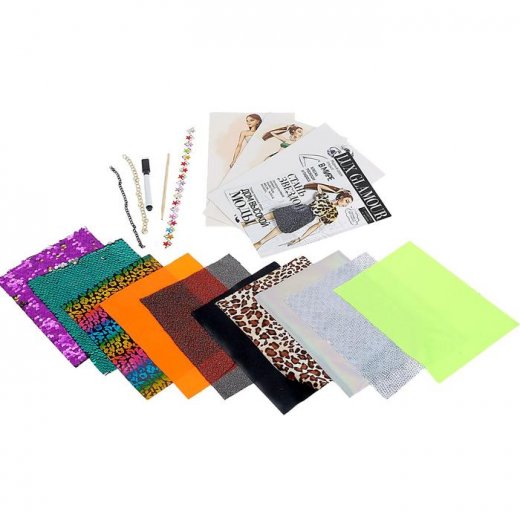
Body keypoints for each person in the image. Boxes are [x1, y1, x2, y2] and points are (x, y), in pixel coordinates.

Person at [250, 183, 354, 250]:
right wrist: (337, 191)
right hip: (301, 208)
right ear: (341, 197)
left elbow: (316, 226)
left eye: (348, 204)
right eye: (346, 201)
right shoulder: (324, 197)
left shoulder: (333, 214)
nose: (345, 204)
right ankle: (248, 222)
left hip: (306, 218)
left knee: (281, 228)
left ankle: (260, 243)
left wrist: (301, 239)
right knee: (274, 215)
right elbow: (319, 186)